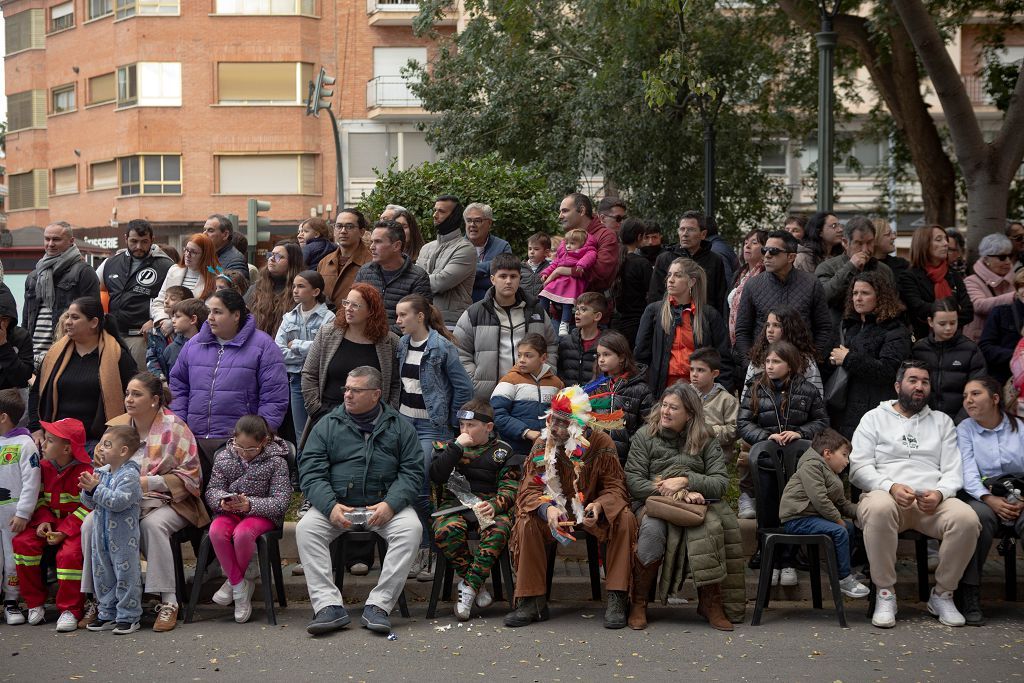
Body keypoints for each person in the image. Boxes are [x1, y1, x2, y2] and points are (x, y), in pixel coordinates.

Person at [850, 360, 981, 629]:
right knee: (878, 508)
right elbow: (858, 468)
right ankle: (885, 593)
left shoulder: (942, 422)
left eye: (924, 382)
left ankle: (943, 594)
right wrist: (890, 487)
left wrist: (941, 493)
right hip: (886, 497)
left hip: (930, 503)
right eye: (913, 380)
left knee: (967, 519)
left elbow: (954, 470)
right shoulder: (873, 418)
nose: (919, 386)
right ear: (898, 386)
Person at [297, 366, 423, 636]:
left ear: (376, 394)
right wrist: (330, 507)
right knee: (306, 529)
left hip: (383, 504)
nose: (348, 395)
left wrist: (391, 504)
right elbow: (310, 472)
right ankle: (328, 606)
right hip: (338, 504)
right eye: (346, 388)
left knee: (411, 529)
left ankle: (379, 605)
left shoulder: (399, 426)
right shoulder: (327, 425)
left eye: (356, 390)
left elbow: (412, 472)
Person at [504, 387, 637, 630]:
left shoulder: (601, 442)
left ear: (579, 425)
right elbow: (527, 491)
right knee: (527, 521)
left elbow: (616, 488)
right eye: (552, 419)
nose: (554, 428)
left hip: (591, 512)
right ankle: (531, 600)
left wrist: (599, 505)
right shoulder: (543, 443)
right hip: (555, 513)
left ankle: (617, 597)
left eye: (562, 423)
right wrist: (548, 510)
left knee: (624, 518)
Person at [86, 372, 207, 632]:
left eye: (136, 394)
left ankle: (169, 601)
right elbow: (101, 467)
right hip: (120, 501)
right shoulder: (116, 427)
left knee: (152, 526)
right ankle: (100, 599)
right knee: (89, 523)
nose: (128, 399)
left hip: (168, 501)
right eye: (127, 393)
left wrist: (148, 483)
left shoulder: (175, 428)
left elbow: (192, 475)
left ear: (154, 399)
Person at [624, 382, 743, 631]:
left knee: (708, 527)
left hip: (695, 506)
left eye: (674, 408)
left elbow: (721, 482)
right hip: (653, 504)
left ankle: (710, 603)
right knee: (652, 531)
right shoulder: (645, 436)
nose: (666, 412)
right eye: (664, 405)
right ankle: (639, 601)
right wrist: (678, 493)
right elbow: (634, 482)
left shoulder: (705, 438)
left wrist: (688, 480)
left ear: (689, 414)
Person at [393, 294, 473, 580]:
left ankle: (430, 550)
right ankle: (419, 547)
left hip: (431, 427)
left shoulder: (441, 348)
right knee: (405, 486)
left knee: (420, 484)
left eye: (403, 315)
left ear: (420, 317)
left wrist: (451, 425)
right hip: (404, 423)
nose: (398, 321)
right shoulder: (402, 345)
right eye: (398, 315)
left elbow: (464, 389)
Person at [738, 340, 829, 587]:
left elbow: (821, 422)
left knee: (792, 511)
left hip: (797, 465)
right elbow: (744, 423)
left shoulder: (807, 390)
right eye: (767, 361)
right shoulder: (755, 387)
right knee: (767, 511)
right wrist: (766, 437)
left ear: (789, 365)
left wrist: (800, 433)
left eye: (776, 361)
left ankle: (788, 561)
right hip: (766, 462)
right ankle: (769, 559)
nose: (770, 366)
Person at [430, 399, 522, 620]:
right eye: (461, 425)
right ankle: (477, 587)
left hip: (489, 506)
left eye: (471, 426)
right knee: (446, 530)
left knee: (498, 531)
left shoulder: (502, 451)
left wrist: (494, 505)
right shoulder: (451, 448)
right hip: (454, 506)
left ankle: (468, 589)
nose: (465, 430)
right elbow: (436, 475)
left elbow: (511, 489)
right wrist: (456, 447)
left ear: (488, 427)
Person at [169, 289, 288, 452]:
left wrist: (257, 436)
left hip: (242, 445)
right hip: (193, 439)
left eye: (217, 312)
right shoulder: (193, 344)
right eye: (209, 311)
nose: (210, 317)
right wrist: (180, 424)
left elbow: (274, 396)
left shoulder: (264, 346)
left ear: (236, 315)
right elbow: (178, 386)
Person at [204, 415, 291, 624]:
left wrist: (250, 505)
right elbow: (212, 490)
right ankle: (240, 586)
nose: (244, 453)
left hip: (262, 515)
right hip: (230, 512)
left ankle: (233, 586)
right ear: (233, 438)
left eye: (251, 449)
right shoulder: (224, 457)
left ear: (263, 442)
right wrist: (221, 502)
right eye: (239, 446)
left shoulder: (277, 462)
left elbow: (281, 502)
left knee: (243, 534)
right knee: (216, 531)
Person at [12, 418, 92, 632]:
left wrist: (64, 532)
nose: (43, 444)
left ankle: (71, 610)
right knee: (22, 543)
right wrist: (44, 520)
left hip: (72, 528)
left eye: (49, 441)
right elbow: (38, 499)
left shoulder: (86, 471)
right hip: (47, 524)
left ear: (66, 448)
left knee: (69, 556)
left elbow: (88, 508)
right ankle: (34, 603)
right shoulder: (44, 466)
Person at [957, 377, 1024, 625]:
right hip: (981, 495)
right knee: (977, 519)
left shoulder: (1020, 427)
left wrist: (1022, 500)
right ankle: (970, 593)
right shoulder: (965, 429)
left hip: (1019, 495)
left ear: (995, 399)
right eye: (965, 396)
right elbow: (968, 473)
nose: (969, 400)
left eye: (975, 394)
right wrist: (989, 499)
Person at [29, 297, 137, 451]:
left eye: (75, 317)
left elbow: (132, 399)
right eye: (67, 316)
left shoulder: (118, 356)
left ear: (93, 323)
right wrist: (36, 428)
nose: (67, 322)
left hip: (97, 444)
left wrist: (111, 442)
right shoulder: (54, 354)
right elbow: (36, 393)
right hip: (55, 440)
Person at [778, 428, 870, 599]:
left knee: (850, 528)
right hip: (797, 518)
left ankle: (843, 570)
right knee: (840, 530)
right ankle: (843, 579)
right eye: (844, 455)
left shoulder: (831, 473)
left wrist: (864, 512)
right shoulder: (811, 465)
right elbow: (819, 499)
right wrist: (837, 520)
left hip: (813, 517)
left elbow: (842, 503)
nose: (847, 461)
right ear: (827, 453)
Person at [301, 283, 400, 439]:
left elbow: (395, 383)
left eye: (355, 305)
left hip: (372, 421)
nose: (348, 308)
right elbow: (309, 374)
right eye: (346, 303)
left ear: (370, 311)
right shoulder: (327, 333)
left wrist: (386, 416)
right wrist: (317, 410)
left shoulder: (389, 342)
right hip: (328, 415)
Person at [454, 253, 558, 400]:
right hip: (487, 396)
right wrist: (474, 380)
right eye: (503, 276)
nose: (508, 281)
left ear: (519, 279)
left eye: (513, 276)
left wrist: (547, 372)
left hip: (528, 395)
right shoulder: (475, 313)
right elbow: (460, 351)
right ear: (492, 279)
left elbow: (551, 345)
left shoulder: (536, 311)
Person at [828, 272, 912, 440]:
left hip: (876, 409)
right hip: (845, 409)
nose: (858, 298)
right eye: (855, 293)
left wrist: (848, 358)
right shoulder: (849, 326)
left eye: (865, 293)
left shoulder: (895, 330)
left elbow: (889, 371)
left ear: (880, 297)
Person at [733, 230, 833, 370]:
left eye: (773, 251)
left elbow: (824, 328)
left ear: (791, 257)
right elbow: (743, 330)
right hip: (762, 367)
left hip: (802, 368)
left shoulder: (811, 284)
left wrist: (812, 361)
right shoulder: (753, 285)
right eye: (764, 250)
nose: (766, 255)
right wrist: (750, 365)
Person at [78, 425, 143, 635]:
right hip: (101, 536)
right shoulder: (101, 473)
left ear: (123, 451)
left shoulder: (130, 475)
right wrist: (87, 490)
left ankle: (129, 615)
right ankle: (107, 612)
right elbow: (90, 504)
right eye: (101, 444)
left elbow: (118, 502)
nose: (101, 449)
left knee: (126, 575)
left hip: (123, 538)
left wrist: (95, 488)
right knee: (102, 574)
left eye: (107, 445)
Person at [636, 257, 733, 396]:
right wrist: (644, 393)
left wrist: (721, 395)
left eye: (678, 275)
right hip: (661, 391)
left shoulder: (709, 315)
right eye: (669, 274)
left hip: (700, 393)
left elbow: (723, 360)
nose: (670, 279)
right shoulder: (654, 312)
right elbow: (640, 356)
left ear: (691, 281)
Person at [96, 219, 173, 370]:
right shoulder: (111, 263)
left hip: (142, 338)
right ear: (125, 239)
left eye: (144, 242)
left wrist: (155, 320)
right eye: (134, 241)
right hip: (112, 336)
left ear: (152, 240)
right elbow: (91, 289)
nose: (139, 247)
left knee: (140, 384)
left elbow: (179, 300)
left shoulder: (166, 266)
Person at [23, 222, 101, 366]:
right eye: (47, 239)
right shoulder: (34, 276)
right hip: (33, 356)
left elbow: (93, 317)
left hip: (66, 351)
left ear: (71, 241)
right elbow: (27, 320)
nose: (50, 244)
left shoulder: (84, 272)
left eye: (56, 239)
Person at [276, 271, 335, 440]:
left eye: (301, 286)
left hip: (320, 381)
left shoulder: (328, 318)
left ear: (315, 292)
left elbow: (326, 348)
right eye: (294, 286)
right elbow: (278, 351)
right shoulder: (289, 317)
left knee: (320, 429)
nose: (295, 290)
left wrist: (295, 344)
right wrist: (311, 353)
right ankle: (303, 466)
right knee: (300, 432)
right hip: (295, 379)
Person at [815, 215, 894, 339]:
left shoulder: (884, 270)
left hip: (876, 335)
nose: (865, 249)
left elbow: (892, 304)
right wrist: (851, 266)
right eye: (859, 243)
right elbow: (823, 297)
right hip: (838, 336)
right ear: (845, 243)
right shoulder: (827, 267)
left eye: (870, 243)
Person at [583, 330, 653, 465]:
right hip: (595, 455)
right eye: (598, 355)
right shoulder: (595, 387)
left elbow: (647, 426)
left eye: (606, 354)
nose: (601, 359)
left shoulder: (640, 389)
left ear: (621, 357)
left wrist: (633, 449)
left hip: (625, 458)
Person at [0, 389, 40, 625]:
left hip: (12, 517)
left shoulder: (25, 444)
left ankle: (12, 602)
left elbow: (31, 481)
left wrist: (24, 512)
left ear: (3, 417)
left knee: (12, 561)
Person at [911, 299, 986, 419]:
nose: (948, 328)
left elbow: (978, 388)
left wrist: (960, 422)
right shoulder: (919, 349)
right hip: (923, 419)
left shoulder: (970, 349)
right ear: (930, 322)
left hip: (960, 421)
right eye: (942, 324)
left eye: (953, 323)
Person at [491, 333, 564, 456]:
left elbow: (562, 416)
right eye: (519, 355)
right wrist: (526, 432)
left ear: (543, 358)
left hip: (546, 451)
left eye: (528, 355)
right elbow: (497, 415)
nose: (521, 360)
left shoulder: (557, 384)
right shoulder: (509, 380)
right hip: (514, 450)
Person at [898, 224, 973, 341]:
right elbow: (918, 309)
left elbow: (968, 311)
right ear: (924, 244)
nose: (946, 243)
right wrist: (954, 309)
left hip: (955, 343)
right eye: (939, 239)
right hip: (922, 342)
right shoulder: (909, 276)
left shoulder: (953, 275)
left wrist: (934, 311)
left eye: (945, 239)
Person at [355, 220, 433, 329]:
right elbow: (353, 306)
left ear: (396, 246)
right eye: (372, 241)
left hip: (400, 342)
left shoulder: (418, 277)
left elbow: (419, 320)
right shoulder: (365, 272)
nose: (372, 247)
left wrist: (379, 334)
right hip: (364, 338)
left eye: (378, 242)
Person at [648, 211, 728, 314]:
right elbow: (655, 296)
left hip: (704, 322)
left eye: (691, 230)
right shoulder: (664, 259)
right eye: (682, 229)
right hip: (670, 321)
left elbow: (720, 298)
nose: (685, 234)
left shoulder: (715, 260)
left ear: (703, 234)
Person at [417, 195, 476, 326]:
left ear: (454, 216)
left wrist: (413, 280)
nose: (435, 215)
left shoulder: (466, 249)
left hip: (451, 323)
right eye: (435, 210)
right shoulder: (426, 247)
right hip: (423, 321)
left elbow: (440, 283)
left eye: (441, 211)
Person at [743, 306, 823, 399]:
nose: (770, 330)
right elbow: (746, 397)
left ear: (789, 328)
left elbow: (817, 398)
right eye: (768, 325)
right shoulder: (758, 357)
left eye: (776, 325)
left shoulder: (805, 361)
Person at [150, 234, 219, 336]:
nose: (188, 254)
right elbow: (158, 302)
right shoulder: (174, 270)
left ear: (205, 255)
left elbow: (210, 312)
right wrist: (164, 320)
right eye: (186, 250)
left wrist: (173, 323)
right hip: (166, 333)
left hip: (196, 335)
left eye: (194, 252)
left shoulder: (215, 276)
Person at [539, 228, 597, 337]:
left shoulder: (587, 251)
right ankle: (543, 317)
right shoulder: (563, 253)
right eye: (567, 243)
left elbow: (589, 258)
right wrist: (545, 272)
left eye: (572, 243)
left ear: (582, 244)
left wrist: (581, 265)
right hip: (558, 281)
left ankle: (564, 324)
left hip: (572, 282)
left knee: (567, 303)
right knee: (544, 295)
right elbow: (555, 264)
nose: (568, 246)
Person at [558, 193, 619, 295]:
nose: (560, 216)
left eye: (565, 211)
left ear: (582, 211)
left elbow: (600, 272)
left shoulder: (606, 236)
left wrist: (563, 271)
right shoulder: (568, 237)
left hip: (593, 306)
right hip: (562, 305)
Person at [689, 347, 738, 474]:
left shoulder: (727, 400)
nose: (694, 374)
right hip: (688, 449)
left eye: (700, 370)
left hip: (717, 453)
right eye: (692, 369)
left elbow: (735, 429)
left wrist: (710, 431)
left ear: (714, 374)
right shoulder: (684, 395)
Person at [964, 233, 1016, 342]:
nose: (1007, 261)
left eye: (1009, 256)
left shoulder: (1015, 280)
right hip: (980, 343)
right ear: (986, 259)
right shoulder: (971, 281)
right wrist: (1015, 297)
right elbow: (979, 305)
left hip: (1007, 341)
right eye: (1002, 257)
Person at [318, 209, 372, 312]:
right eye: (339, 226)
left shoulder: (371, 263)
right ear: (334, 230)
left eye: (349, 226)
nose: (343, 231)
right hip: (326, 325)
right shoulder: (324, 262)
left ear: (361, 232)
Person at [248, 241, 304, 337]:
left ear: (292, 262)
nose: (271, 259)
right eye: (271, 255)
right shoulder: (257, 287)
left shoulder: (302, 290)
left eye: (279, 256)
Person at [611, 219, 654, 345]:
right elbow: (652, 290)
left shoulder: (613, 260)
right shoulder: (642, 263)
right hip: (637, 323)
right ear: (639, 237)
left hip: (614, 322)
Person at [979, 267, 1024, 384]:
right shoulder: (1000, 312)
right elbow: (985, 347)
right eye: (1022, 286)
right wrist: (1016, 355)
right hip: (1004, 380)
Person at [727, 229, 767, 345]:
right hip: (734, 343)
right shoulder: (739, 274)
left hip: (753, 341)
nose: (747, 246)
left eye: (754, 243)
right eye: (745, 243)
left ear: (765, 248)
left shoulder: (766, 275)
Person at [464, 203, 512, 302]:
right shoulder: (456, 247)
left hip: (495, 307)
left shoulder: (503, 246)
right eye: (468, 220)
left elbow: (504, 279)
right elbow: (455, 279)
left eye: (477, 221)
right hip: (463, 308)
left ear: (489, 223)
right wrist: (492, 266)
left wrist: (467, 273)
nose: (472, 225)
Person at [557, 292, 607, 387]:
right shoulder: (566, 342)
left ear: (597, 316)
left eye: (583, 309)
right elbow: (560, 371)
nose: (577, 312)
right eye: (576, 309)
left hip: (597, 398)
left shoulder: (607, 344)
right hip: (570, 398)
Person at [145, 285, 192, 380]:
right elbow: (151, 357)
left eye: (173, 299)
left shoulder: (188, 330)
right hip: (163, 381)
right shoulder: (155, 330)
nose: (166, 301)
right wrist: (161, 379)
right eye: (165, 298)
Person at [156, 298, 208, 381]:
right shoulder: (171, 349)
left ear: (193, 319)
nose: (173, 320)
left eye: (178, 316)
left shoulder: (209, 347)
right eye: (173, 317)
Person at [0, 282, 33, 392]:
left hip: (11, 402)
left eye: (4, 319)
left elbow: (23, 378)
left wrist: (4, 345)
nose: (2, 324)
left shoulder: (21, 336)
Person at [521, 232, 552, 301]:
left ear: (546, 252)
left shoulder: (549, 269)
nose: (532, 252)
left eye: (536, 249)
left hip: (541, 306)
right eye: (530, 249)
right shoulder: (521, 267)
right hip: (523, 304)